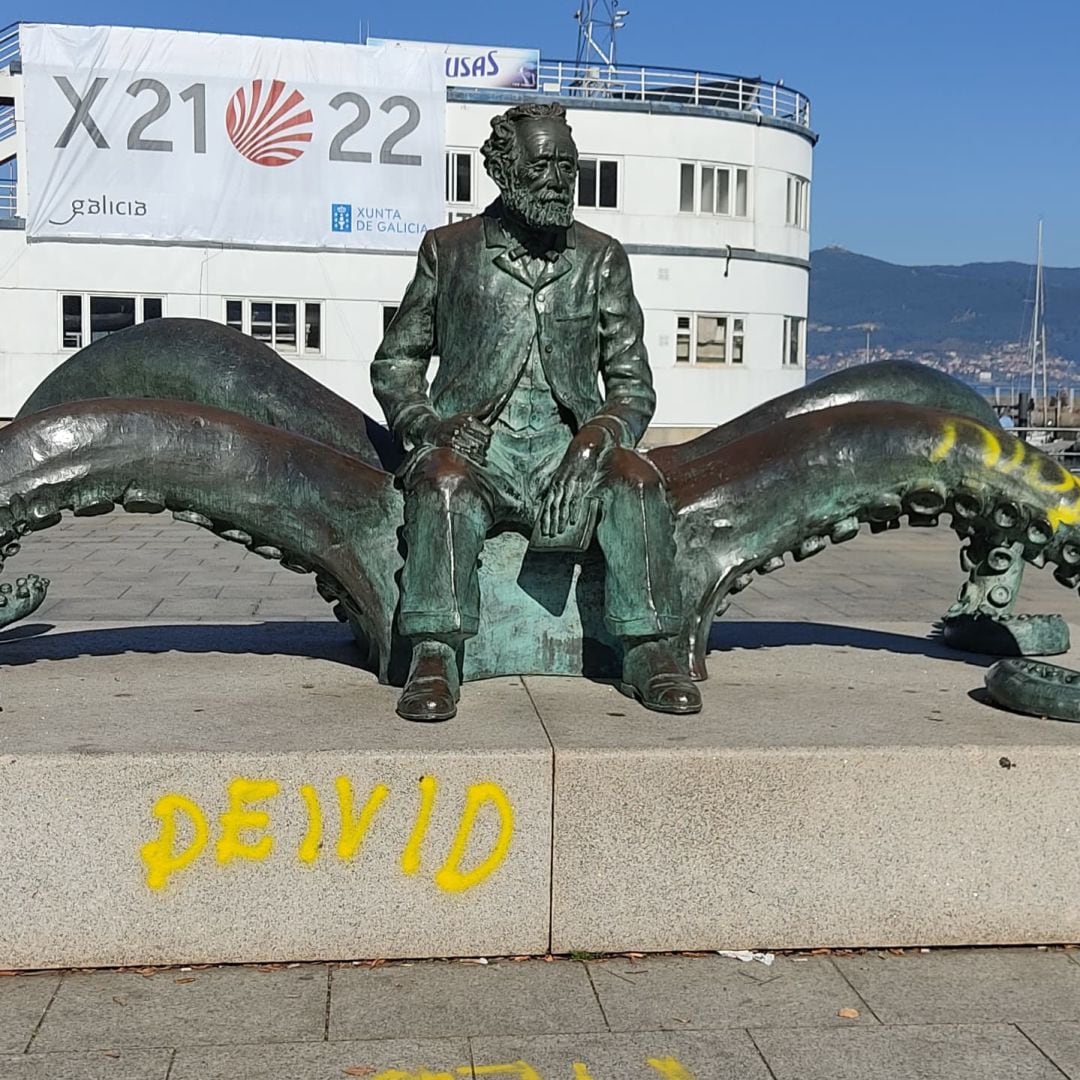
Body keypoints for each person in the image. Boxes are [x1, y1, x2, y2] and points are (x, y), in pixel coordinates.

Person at [372, 102, 700, 721]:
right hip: (477, 451)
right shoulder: (450, 250)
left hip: (563, 449)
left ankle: (650, 646)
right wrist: (430, 426)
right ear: (502, 168)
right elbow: (396, 364)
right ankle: (437, 650)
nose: (558, 181)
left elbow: (632, 384)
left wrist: (596, 439)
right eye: (543, 165)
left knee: (635, 481)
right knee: (443, 485)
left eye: (569, 169)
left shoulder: (602, 258)